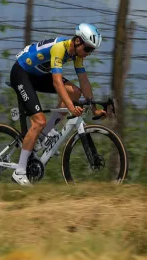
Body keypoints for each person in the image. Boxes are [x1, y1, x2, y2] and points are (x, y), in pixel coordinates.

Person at [9, 23, 102, 186]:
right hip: (21, 73)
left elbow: (84, 82)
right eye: (88, 49)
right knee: (38, 121)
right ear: (78, 41)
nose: (88, 54)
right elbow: (57, 83)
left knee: (75, 92)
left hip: (37, 75)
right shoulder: (60, 48)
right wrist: (72, 108)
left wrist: (95, 108)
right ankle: (20, 171)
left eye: (91, 51)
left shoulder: (77, 55)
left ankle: (45, 133)